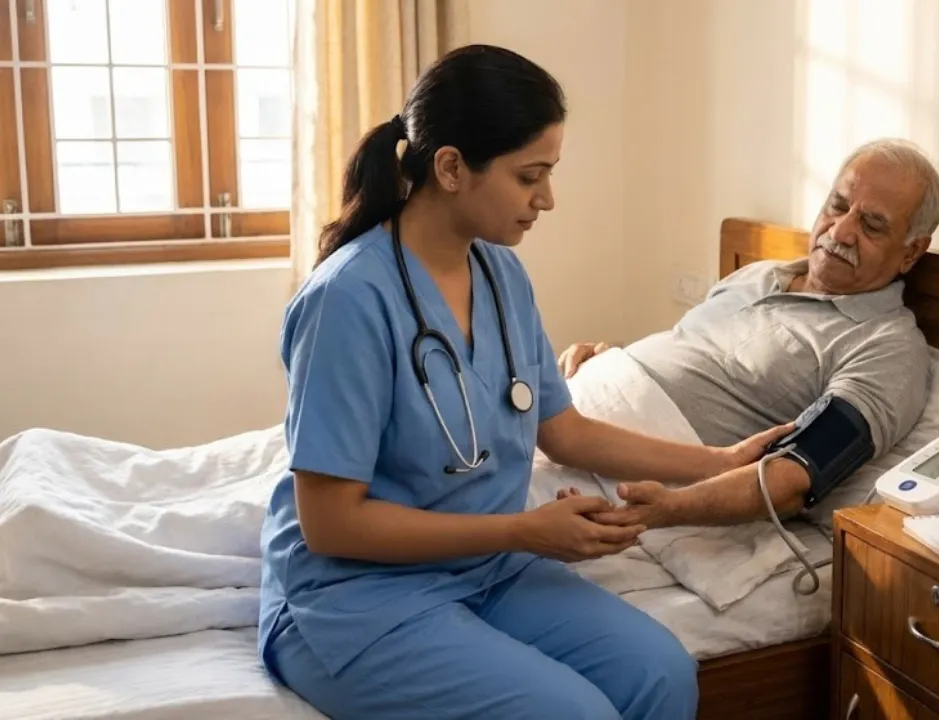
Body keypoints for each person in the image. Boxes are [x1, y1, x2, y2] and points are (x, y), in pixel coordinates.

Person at [256, 44, 790, 720]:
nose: (548, 199)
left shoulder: (501, 275)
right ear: (450, 167)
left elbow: (562, 429)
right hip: (354, 594)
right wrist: (522, 530)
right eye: (529, 175)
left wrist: (716, 462)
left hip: (485, 568)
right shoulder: (349, 299)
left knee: (663, 672)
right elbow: (330, 524)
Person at [558, 139, 939, 531]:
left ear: (911, 252)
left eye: (872, 225)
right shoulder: (758, 273)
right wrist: (610, 361)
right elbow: (689, 355)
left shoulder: (887, 346)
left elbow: (795, 475)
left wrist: (667, 508)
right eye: (838, 205)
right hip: (563, 419)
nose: (841, 231)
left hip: (625, 480)